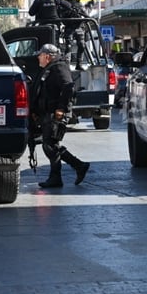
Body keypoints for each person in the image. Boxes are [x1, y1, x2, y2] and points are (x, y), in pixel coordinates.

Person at [30, 43, 89, 188]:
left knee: (49, 145)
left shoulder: (59, 67)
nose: (38, 57)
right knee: (51, 144)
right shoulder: (48, 68)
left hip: (55, 113)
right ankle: (66, 172)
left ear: (48, 57)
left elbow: (68, 87)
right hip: (47, 113)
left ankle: (75, 168)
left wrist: (61, 109)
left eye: (41, 55)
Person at [62, 0, 90, 69]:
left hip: (79, 27)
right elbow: (61, 15)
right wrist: (69, 13)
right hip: (69, 27)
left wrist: (82, 15)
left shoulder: (79, 4)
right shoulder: (64, 4)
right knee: (68, 47)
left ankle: (79, 64)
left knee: (82, 45)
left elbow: (85, 14)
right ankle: (67, 65)